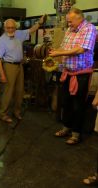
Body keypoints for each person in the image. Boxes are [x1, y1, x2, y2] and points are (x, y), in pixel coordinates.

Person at [49, 8, 96, 145]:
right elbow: (64, 48)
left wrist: (58, 54)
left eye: (70, 21)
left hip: (81, 74)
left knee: (78, 105)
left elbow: (81, 49)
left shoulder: (89, 28)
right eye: (68, 22)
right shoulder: (70, 30)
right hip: (67, 72)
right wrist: (56, 51)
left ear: (79, 18)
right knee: (66, 103)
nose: (68, 24)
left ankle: (76, 134)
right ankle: (66, 128)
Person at [0, 15, 46, 123]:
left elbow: (32, 30)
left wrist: (40, 23)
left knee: (20, 90)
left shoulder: (18, 34)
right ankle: (3, 114)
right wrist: (2, 74)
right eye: (8, 28)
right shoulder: (2, 40)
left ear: (15, 28)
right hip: (8, 66)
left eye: (12, 27)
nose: (10, 30)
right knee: (8, 91)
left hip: (19, 66)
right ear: (4, 28)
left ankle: (16, 112)